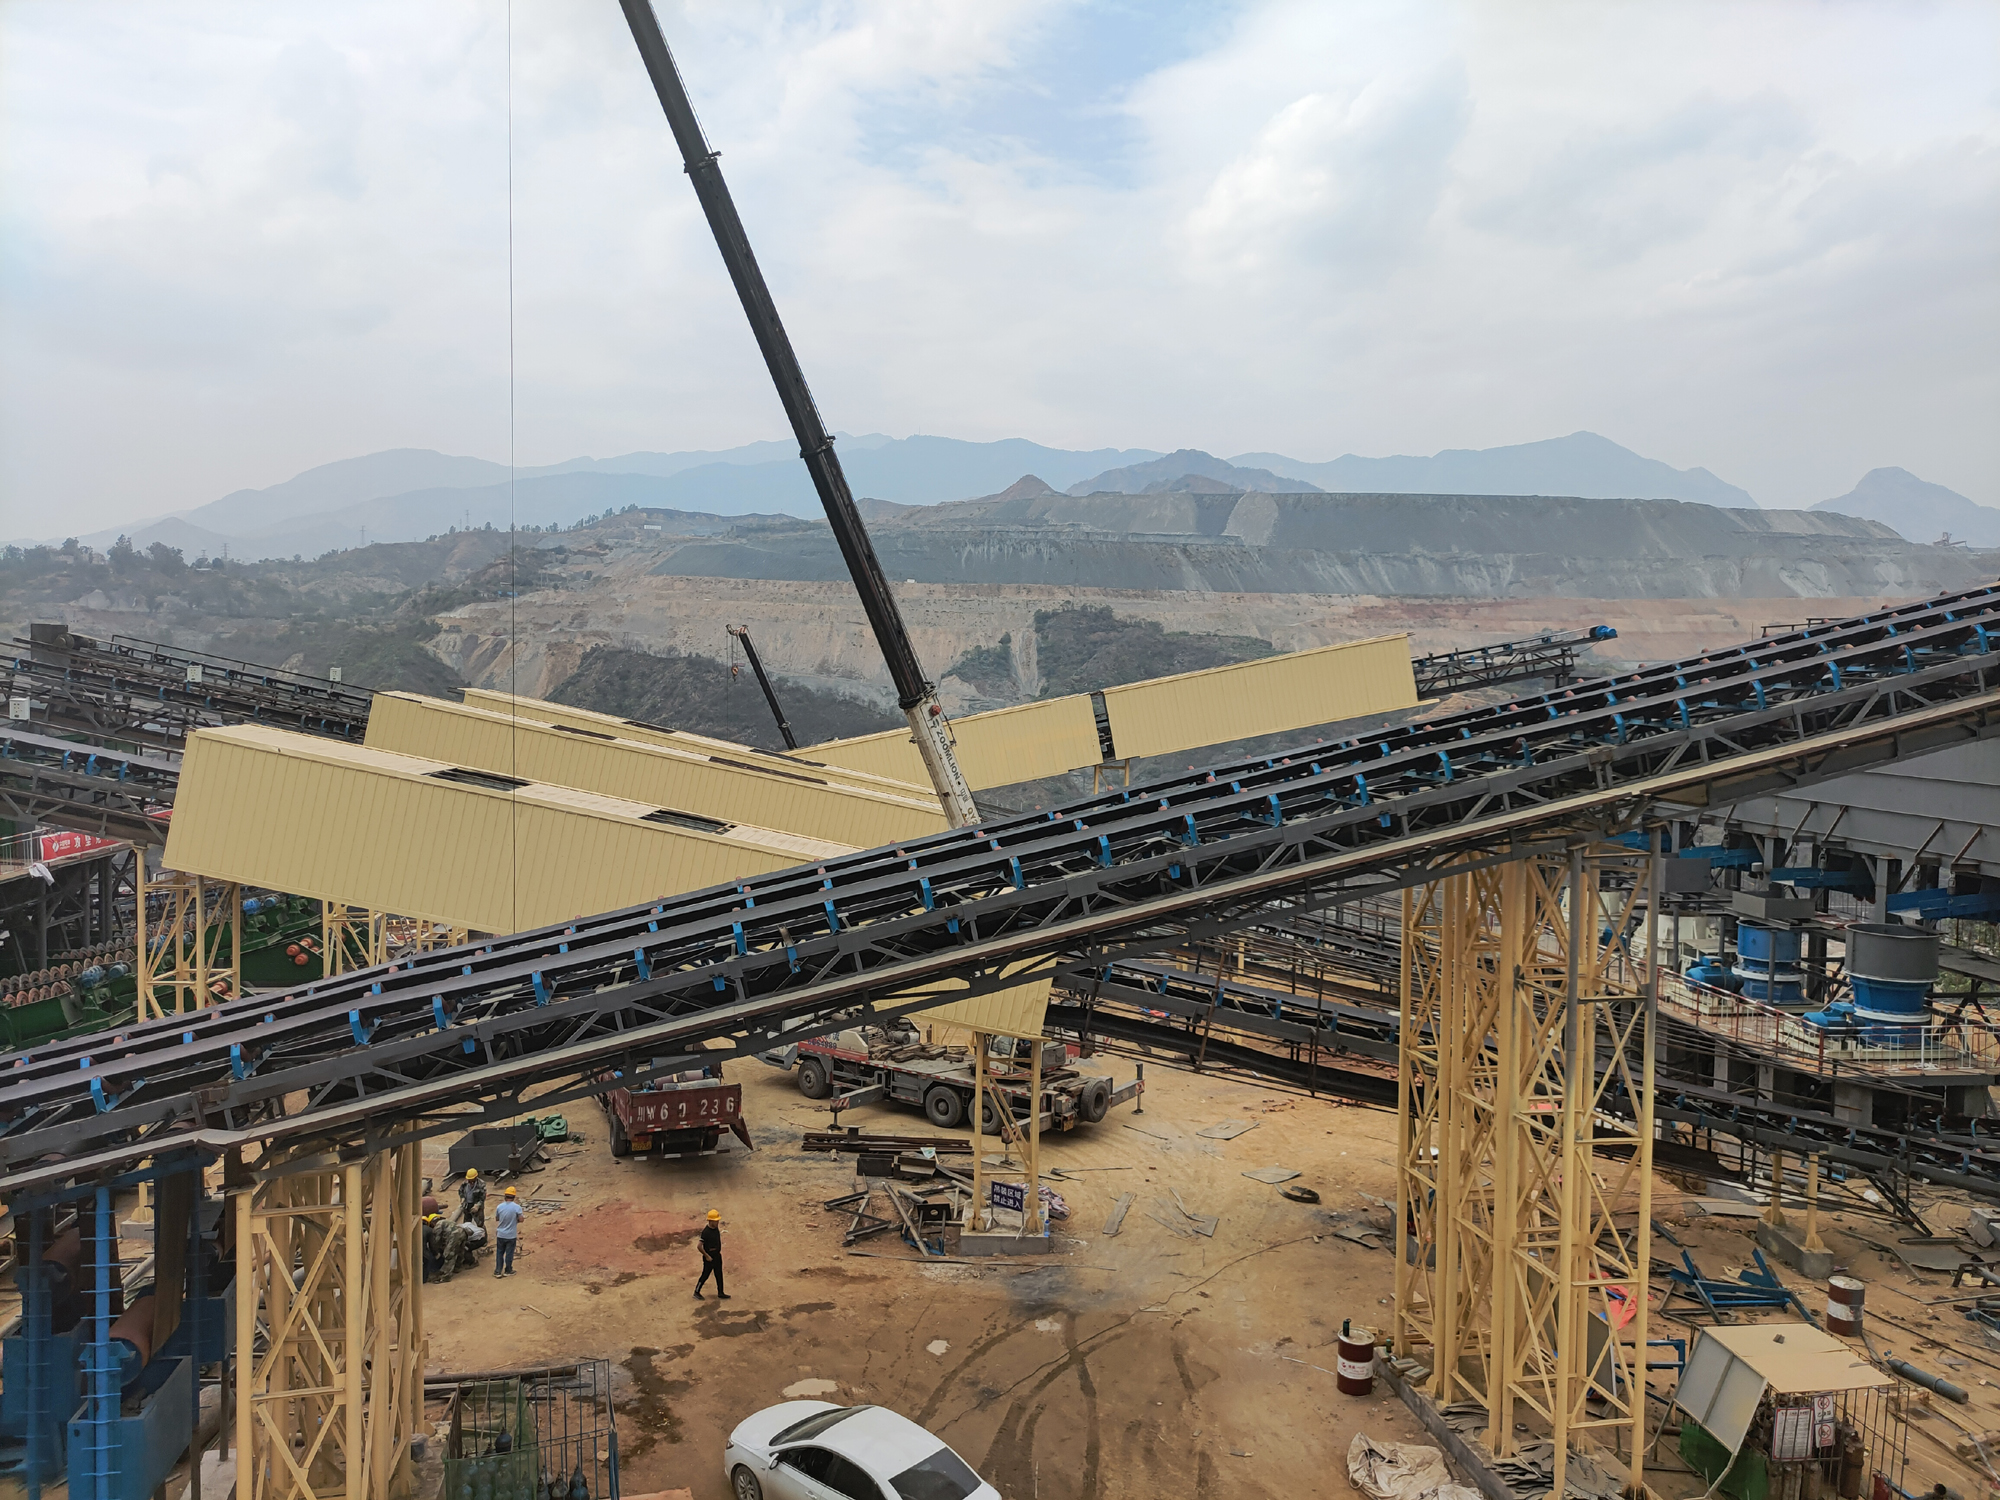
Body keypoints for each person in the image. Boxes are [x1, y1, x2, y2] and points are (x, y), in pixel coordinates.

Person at [695, 1208, 729, 1299]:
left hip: (717, 1256)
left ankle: (721, 1292)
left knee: (719, 1275)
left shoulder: (716, 1228)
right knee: (705, 1275)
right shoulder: (706, 1232)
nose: (717, 1222)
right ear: (710, 1221)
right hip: (709, 1258)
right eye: (715, 1221)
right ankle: (696, 1292)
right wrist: (707, 1256)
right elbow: (699, 1246)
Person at [492, 1185, 522, 1277]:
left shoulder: (499, 1207)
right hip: (511, 1235)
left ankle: (498, 1271)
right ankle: (508, 1270)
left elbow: (497, 1218)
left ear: (505, 1196)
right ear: (514, 1196)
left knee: (499, 1252)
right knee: (509, 1253)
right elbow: (521, 1219)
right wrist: (515, 1220)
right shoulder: (517, 1207)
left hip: (500, 1234)